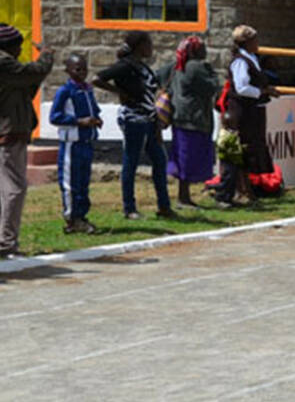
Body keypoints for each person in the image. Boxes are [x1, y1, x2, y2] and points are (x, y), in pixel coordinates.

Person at [95, 31, 176, 221]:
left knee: (159, 160)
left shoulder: (144, 68)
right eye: (148, 44)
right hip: (133, 119)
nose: (151, 48)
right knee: (131, 162)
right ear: (139, 45)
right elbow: (97, 79)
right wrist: (120, 92)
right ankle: (129, 208)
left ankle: (164, 206)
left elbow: (151, 93)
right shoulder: (125, 67)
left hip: (149, 119)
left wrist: (157, 120)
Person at [0, 25, 55, 255]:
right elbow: (32, 73)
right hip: (8, 134)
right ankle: (7, 243)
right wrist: (47, 55)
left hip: (13, 133)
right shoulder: (4, 63)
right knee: (15, 188)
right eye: (18, 45)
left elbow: (28, 84)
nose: (20, 49)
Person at [163, 35, 219, 207]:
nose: (205, 51)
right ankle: (183, 197)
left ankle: (184, 195)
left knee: (182, 155)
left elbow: (159, 76)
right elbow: (212, 86)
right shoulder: (196, 67)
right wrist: (212, 73)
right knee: (189, 158)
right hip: (194, 119)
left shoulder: (175, 67)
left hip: (179, 118)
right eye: (202, 48)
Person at [50, 53, 101, 234]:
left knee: (83, 181)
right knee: (70, 182)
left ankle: (82, 215)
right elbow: (54, 117)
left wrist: (96, 119)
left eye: (84, 69)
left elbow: (93, 109)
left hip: (86, 142)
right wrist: (79, 121)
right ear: (68, 71)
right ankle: (71, 218)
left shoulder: (87, 90)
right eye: (77, 69)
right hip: (71, 143)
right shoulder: (65, 92)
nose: (82, 73)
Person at [225, 26, 279, 189]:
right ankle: (241, 187)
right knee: (244, 147)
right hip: (243, 111)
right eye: (254, 40)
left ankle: (248, 185)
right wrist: (263, 91)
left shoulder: (252, 58)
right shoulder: (241, 61)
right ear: (246, 42)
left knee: (253, 147)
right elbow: (242, 87)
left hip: (253, 111)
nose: (257, 43)